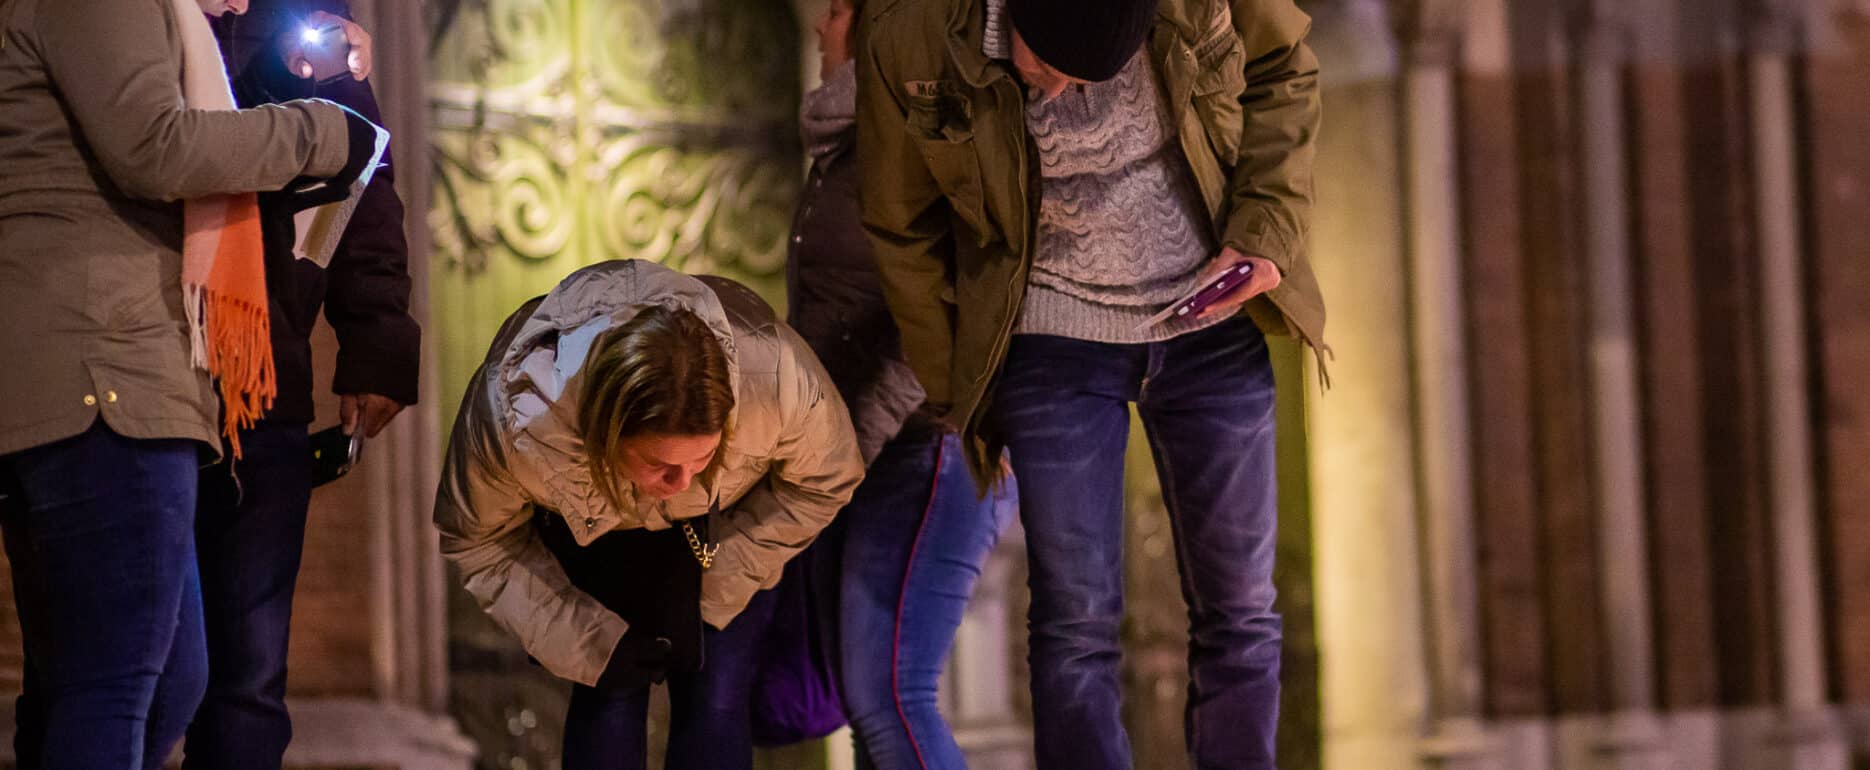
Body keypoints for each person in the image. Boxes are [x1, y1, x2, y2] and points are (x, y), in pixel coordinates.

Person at [856, 0, 1325, 767]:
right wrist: (959, 396)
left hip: (1210, 319)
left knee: (1242, 610)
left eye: (1095, 77)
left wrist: (1265, 232)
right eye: (1048, 67)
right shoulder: (913, 32)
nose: (1061, 92)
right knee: (1075, 625)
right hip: (1050, 332)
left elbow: (1286, 69)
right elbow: (901, 225)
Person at [0, 0, 384, 765]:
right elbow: (156, 146)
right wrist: (320, 131)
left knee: (170, 681)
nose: (242, 4)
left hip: (119, 372)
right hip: (99, 375)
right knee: (114, 685)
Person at [434, 259, 864, 770]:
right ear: (608, 431)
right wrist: (585, 639)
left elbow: (828, 477)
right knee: (610, 688)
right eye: (661, 464)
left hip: (723, 528)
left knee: (717, 694)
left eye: (703, 458)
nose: (681, 482)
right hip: (595, 526)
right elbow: (477, 539)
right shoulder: (516, 418)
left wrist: (722, 577)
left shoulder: (776, 380)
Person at [182, 4, 420, 768]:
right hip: (141, 372)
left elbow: (365, 182)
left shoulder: (310, 23)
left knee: (249, 678)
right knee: (125, 663)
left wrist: (378, 343)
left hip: (265, 380)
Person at [782, 0, 1011, 766]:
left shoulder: (918, 137)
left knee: (890, 696)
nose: (820, 27)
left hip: (927, 447)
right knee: (870, 704)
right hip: (863, 454)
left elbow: (942, 315)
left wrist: (843, 448)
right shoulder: (846, 145)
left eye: (836, 10)